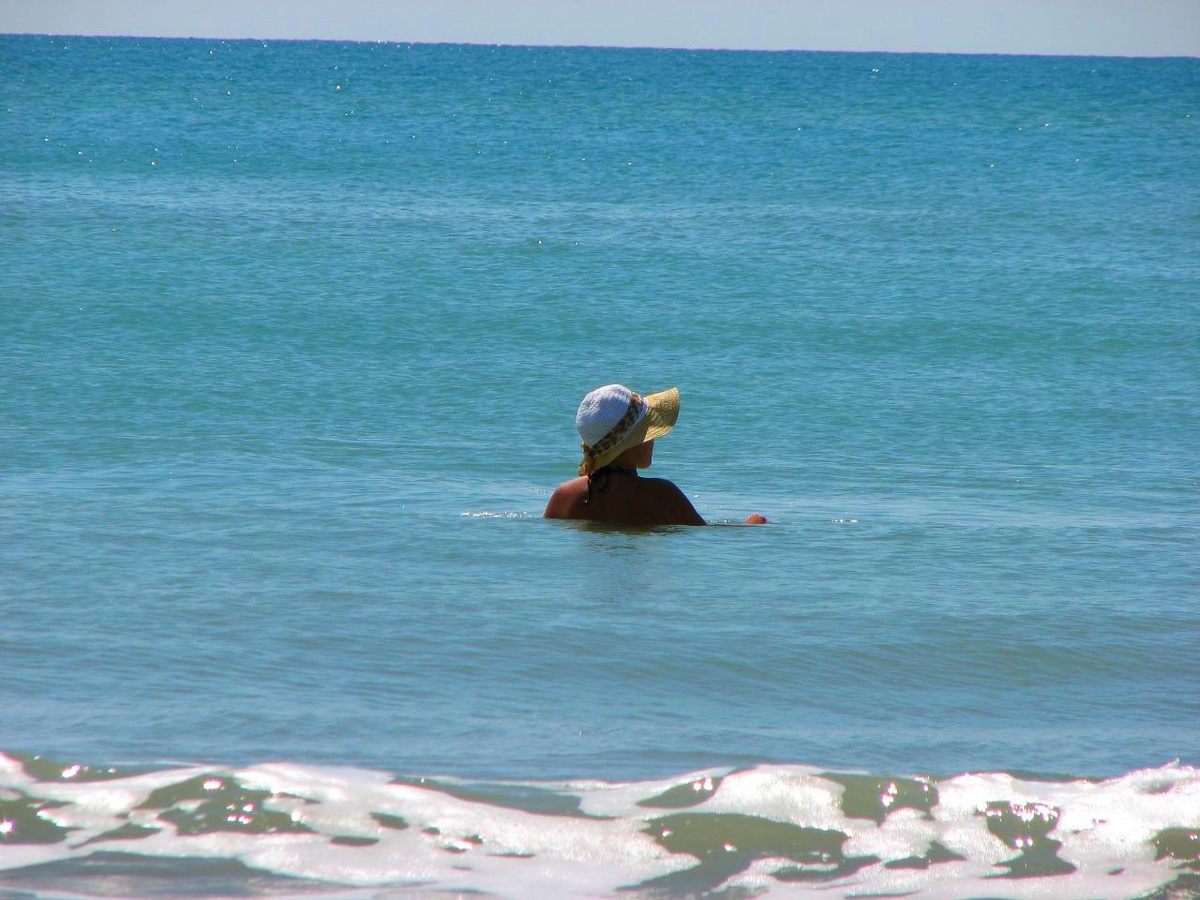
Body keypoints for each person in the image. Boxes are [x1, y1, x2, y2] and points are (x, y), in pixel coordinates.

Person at [544, 384, 767, 527]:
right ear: (631, 443)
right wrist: (755, 523)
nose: (653, 439)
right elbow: (706, 537)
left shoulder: (564, 496)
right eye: (648, 432)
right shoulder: (661, 495)